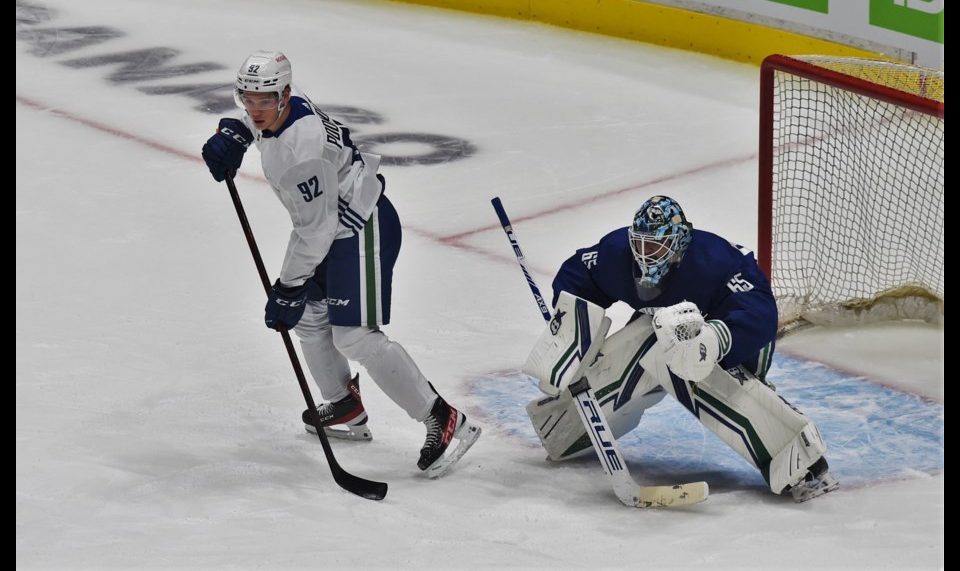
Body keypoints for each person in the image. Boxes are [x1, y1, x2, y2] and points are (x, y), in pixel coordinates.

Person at [200, 50, 480, 478]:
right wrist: (232, 131)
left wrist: (288, 286)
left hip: (360, 229)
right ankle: (346, 406)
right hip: (334, 227)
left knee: (353, 336)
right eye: (247, 99)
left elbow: (316, 231)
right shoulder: (281, 111)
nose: (255, 108)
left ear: (285, 94)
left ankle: (443, 419)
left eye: (264, 100)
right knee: (310, 319)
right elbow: (257, 127)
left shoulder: (301, 151)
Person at [522, 195, 838, 502]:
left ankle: (798, 459)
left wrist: (714, 341)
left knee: (679, 349)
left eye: (657, 245)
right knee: (653, 335)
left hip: (735, 345)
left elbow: (760, 314)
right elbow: (577, 275)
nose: (646, 254)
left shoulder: (717, 260)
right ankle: (565, 425)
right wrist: (571, 334)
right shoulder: (616, 254)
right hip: (664, 336)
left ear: (679, 244)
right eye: (641, 243)